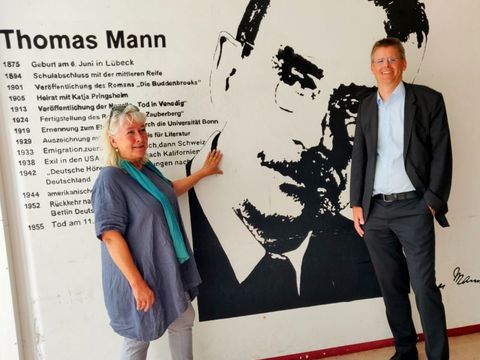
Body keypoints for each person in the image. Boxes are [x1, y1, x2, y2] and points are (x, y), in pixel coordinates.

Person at [188, 0, 430, 320]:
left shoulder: (367, 258)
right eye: (297, 80)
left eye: (355, 109)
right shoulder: (167, 236)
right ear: (228, 72)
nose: (321, 138)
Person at [91, 104, 222, 360]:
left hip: (166, 267)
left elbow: (168, 191)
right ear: (113, 140)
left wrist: (203, 173)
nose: (140, 137)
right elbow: (110, 235)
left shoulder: (145, 169)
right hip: (140, 273)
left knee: (183, 319)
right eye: (131, 132)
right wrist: (137, 283)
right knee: (139, 336)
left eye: (143, 129)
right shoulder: (111, 178)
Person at [350, 37, 452, 360]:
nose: (386, 66)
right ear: (371, 67)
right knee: (392, 289)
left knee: (424, 289)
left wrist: (432, 201)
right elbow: (360, 157)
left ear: (403, 64)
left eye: (392, 60)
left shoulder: (428, 101)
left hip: (415, 208)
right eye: (380, 61)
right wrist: (356, 203)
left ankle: (438, 356)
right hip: (376, 211)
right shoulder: (366, 106)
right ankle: (406, 352)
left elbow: (442, 154)